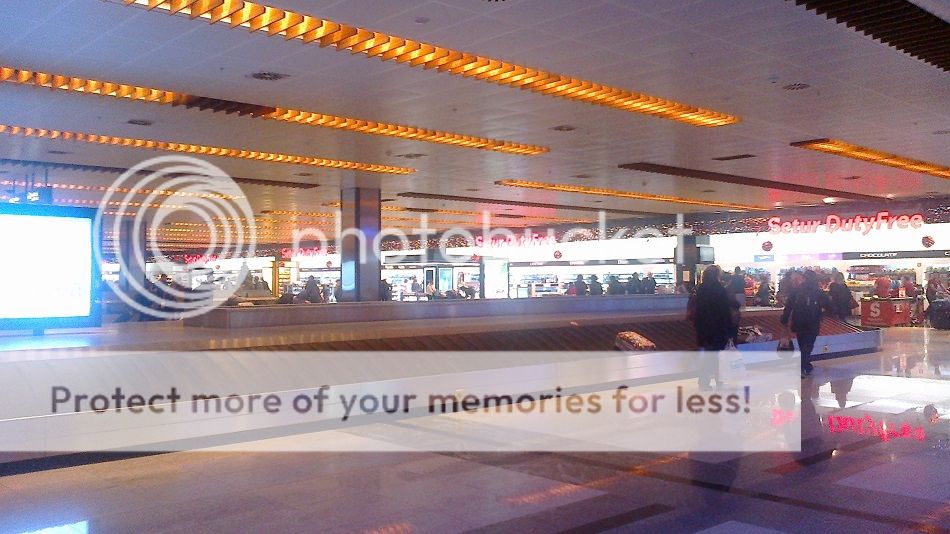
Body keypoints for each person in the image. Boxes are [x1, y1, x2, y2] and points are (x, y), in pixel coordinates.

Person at [692, 265, 740, 390]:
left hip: (704, 328)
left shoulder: (701, 289)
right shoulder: (720, 289)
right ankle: (713, 380)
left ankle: (708, 381)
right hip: (718, 327)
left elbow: (698, 309)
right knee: (716, 355)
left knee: (710, 355)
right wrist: (729, 329)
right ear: (717, 275)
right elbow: (725, 311)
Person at [781, 269, 828, 377]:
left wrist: (784, 318)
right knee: (808, 345)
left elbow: (789, 305)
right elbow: (828, 305)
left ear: (804, 278)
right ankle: (803, 367)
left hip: (799, 321)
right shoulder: (818, 291)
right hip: (813, 322)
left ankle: (805, 365)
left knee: (802, 344)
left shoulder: (797, 290)